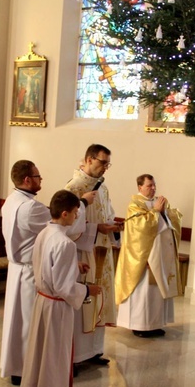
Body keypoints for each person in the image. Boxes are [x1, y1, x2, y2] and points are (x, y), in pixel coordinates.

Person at [0, 160, 96, 386]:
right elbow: (62, 226)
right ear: (27, 180)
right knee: (28, 323)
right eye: (37, 176)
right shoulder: (30, 208)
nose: (40, 180)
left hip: (18, 269)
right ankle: (25, 369)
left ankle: (16, 366)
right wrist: (82, 204)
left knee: (18, 321)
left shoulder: (11, 200)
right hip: (30, 271)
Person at [19, 190, 101, 387]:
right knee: (56, 356)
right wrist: (87, 290)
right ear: (64, 214)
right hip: (57, 307)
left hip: (43, 301)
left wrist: (74, 266)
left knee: (42, 352)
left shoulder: (45, 233)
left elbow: (48, 266)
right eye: (75, 213)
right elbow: (64, 287)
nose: (77, 217)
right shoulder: (65, 243)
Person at [65, 144, 122, 365]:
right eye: (102, 163)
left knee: (101, 297)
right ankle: (77, 355)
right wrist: (95, 228)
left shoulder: (103, 188)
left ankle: (94, 350)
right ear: (89, 159)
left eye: (108, 164)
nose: (105, 168)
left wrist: (111, 227)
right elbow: (66, 225)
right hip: (83, 253)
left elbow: (108, 212)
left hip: (102, 251)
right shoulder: (74, 188)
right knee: (85, 299)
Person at [115, 174, 182, 337]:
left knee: (157, 293)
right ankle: (139, 325)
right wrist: (156, 212)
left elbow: (173, 218)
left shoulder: (159, 201)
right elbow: (139, 229)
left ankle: (155, 323)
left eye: (154, 185)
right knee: (143, 293)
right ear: (140, 188)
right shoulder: (135, 204)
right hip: (143, 257)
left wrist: (165, 212)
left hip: (160, 256)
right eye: (149, 186)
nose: (153, 188)